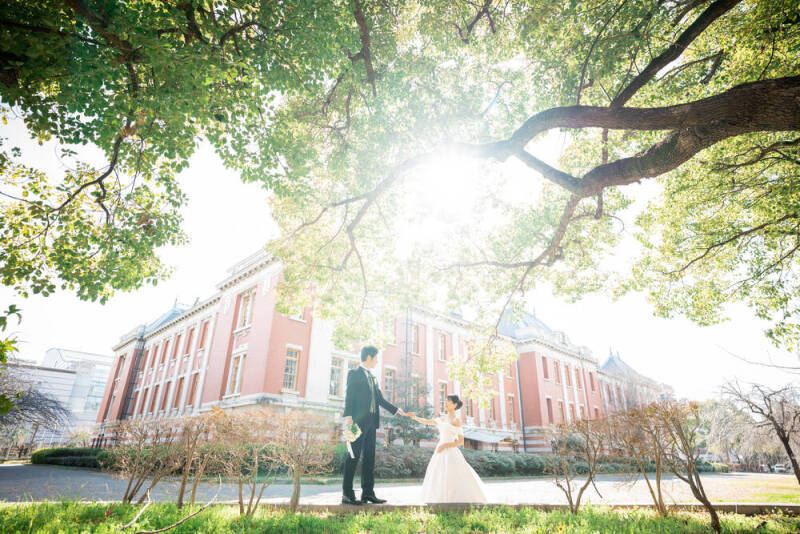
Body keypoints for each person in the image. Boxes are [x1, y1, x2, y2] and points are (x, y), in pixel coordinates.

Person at [341, 345, 411, 505]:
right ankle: (347, 494)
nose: (377, 361)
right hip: (356, 422)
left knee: (369, 458)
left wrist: (398, 411)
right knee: (352, 455)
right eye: (376, 358)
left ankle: (368, 493)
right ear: (369, 357)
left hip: (372, 423)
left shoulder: (373, 377)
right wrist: (349, 417)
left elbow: (379, 399)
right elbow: (349, 395)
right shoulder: (354, 373)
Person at [414, 394, 488, 504]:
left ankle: (456, 499)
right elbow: (427, 421)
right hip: (439, 452)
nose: (446, 403)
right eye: (445, 401)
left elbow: (460, 441)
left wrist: (445, 445)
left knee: (453, 475)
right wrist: (415, 417)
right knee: (438, 474)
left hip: (450, 451)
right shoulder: (443, 418)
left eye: (448, 402)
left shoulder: (456, 420)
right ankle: (439, 499)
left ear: (454, 405)